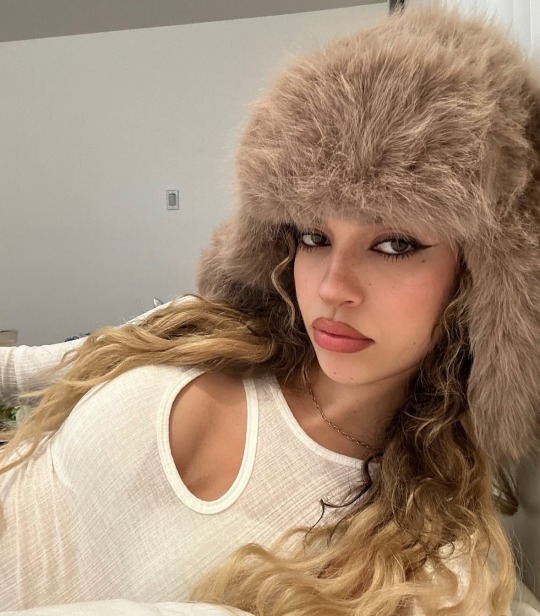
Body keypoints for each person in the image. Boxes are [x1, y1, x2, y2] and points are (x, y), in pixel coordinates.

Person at [1, 3, 539, 615]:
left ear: (480, 280)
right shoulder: (200, 329)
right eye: (314, 237)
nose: (333, 287)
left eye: (394, 245)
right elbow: (25, 368)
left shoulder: (416, 562)